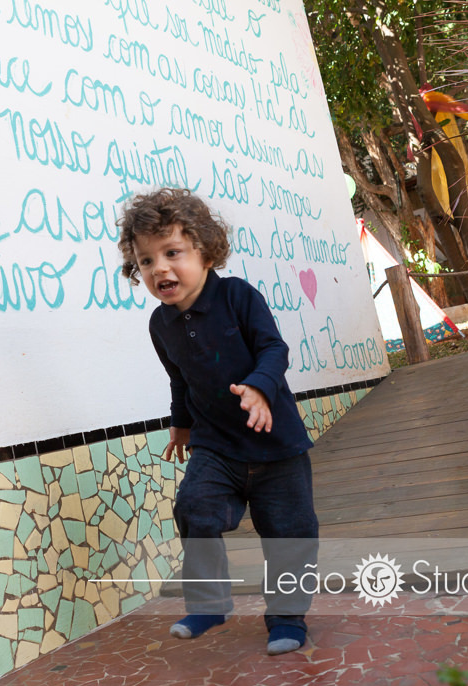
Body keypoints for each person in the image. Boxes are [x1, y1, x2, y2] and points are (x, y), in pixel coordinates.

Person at [117, 188, 319, 655]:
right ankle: (210, 602)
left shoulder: (237, 296)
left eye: (173, 253)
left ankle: (288, 619)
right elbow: (179, 377)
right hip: (216, 448)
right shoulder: (160, 324)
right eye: (146, 261)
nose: (160, 268)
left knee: (289, 535)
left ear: (205, 252)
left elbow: (274, 349)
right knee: (194, 508)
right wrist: (181, 424)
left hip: (277, 446)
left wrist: (259, 387)